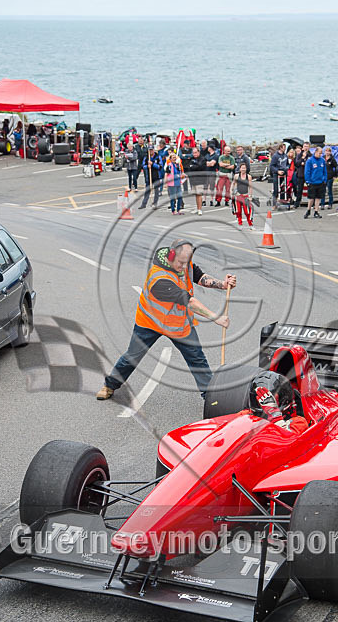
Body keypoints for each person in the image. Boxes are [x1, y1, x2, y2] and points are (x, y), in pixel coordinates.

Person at [96, 241, 236, 400]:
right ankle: (110, 385)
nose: (184, 267)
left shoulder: (184, 261)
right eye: (181, 263)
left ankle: (212, 398)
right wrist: (216, 318)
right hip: (150, 323)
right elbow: (189, 302)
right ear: (171, 256)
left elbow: (198, 276)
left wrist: (223, 285)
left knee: (197, 359)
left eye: (186, 262)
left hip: (178, 325)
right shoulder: (159, 278)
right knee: (132, 357)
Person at [248, 371, 308, 435]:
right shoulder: (246, 415)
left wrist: (275, 417)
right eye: (260, 399)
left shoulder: (299, 423)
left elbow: (287, 440)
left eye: (268, 401)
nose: (263, 405)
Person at [304, 146, 327, 219]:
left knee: (318, 197)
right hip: (312, 182)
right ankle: (308, 210)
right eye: (319, 153)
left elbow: (324, 171)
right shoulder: (310, 161)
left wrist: (325, 179)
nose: (320, 155)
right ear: (315, 152)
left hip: (320, 182)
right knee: (311, 198)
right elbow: (307, 171)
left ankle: (316, 211)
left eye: (321, 153)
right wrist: (307, 181)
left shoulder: (322, 160)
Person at [140, 145, 162, 209]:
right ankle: (144, 204)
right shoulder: (146, 157)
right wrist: (147, 166)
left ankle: (155, 203)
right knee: (147, 190)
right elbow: (143, 166)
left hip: (156, 176)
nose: (151, 151)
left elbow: (160, 166)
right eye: (149, 150)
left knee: (156, 191)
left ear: (153, 150)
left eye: (151, 150)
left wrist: (153, 164)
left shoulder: (158, 157)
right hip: (148, 176)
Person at [232, 161, 253, 227]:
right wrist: (232, 192)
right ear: (240, 169)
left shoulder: (249, 177)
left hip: (245, 196)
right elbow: (233, 184)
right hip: (238, 195)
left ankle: (250, 224)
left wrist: (250, 196)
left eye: (244, 168)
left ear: (246, 169)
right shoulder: (236, 176)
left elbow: (250, 187)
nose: (243, 169)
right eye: (242, 168)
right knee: (238, 211)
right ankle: (240, 223)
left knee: (247, 212)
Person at [186, 147, 206, 215]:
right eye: (193, 153)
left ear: (198, 152)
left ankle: (200, 209)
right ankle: (198, 208)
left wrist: (193, 166)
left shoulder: (202, 159)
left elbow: (200, 167)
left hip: (200, 179)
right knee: (196, 195)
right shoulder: (192, 159)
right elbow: (189, 167)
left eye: (195, 152)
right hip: (193, 179)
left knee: (199, 194)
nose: (194, 154)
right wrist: (193, 167)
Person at [270, 143, 288, 209]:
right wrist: (277, 171)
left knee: (283, 188)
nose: (285, 149)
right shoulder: (275, 156)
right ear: (280, 148)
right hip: (276, 174)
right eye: (284, 147)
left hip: (284, 174)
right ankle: (274, 204)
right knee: (276, 189)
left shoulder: (285, 156)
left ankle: (283, 202)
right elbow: (272, 166)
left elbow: (287, 164)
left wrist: (286, 168)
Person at [294, 142, 310, 208]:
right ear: (303, 147)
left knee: (310, 189)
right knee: (299, 189)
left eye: (307, 146)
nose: (306, 148)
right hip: (301, 174)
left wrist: (305, 163)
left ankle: (311, 203)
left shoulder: (310, 155)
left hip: (308, 174)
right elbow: (297, 163)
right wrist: (302, 158)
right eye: (305, 146)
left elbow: (310, 163)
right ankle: (297, 203)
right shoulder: (299, 154)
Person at [203, 141, 219, 206]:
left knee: (211, 187)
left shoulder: (216, 155)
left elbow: (212, 164)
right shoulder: (207, 155)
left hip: (212, 172)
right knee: (205, 186)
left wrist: (207, 163)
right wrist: (207, 163)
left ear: (210, 148)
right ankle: (204, 200)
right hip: (206, 172)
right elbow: (204, 163)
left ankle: (211, 200)